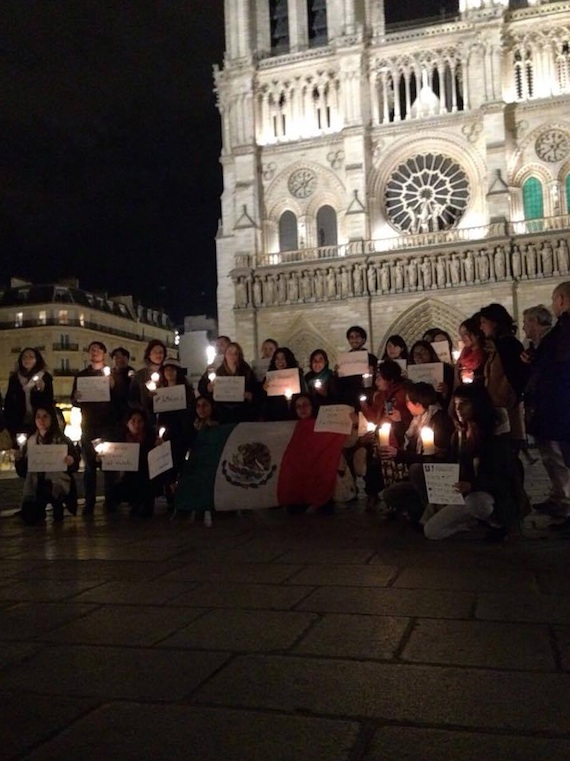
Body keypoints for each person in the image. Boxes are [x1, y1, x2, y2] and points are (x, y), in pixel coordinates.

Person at [423, 384, 522, 541]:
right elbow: (453, 464)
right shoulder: (459, 434)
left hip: (489, 495)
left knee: (478, 503)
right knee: (432, 531)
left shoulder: (495, 437)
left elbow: (502, 476)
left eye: (464, 403)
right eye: (455, 404)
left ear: (478, 404)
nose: (458, 408)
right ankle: (470, 523)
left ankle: (496, 522)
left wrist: (473, 485)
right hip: (464, 494)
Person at [380, 382, 454, 525]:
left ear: (418, 404)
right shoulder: (418, 419)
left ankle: (431, 511)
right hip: (421, 476)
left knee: (416, 469)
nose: (406, 405)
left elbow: (433, 457)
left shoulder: (439, 421)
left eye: (408, 401)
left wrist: (399, 455)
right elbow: (410, 447)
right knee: (389, 495)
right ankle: (417, 510)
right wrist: (399, 423)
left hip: (438, 475)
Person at [527, 283, 570, 525]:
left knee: (561, 456)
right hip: (558, 404)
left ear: (562, 300)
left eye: (554, 300)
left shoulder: (564, 328)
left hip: (559, 404)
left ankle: (565, 504)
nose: (553, 306)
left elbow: (555, 366)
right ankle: (561, 499)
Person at [360, 361, 412, 511]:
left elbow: (407, 415)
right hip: (383, 437)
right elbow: (375, 419)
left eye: (379, 378)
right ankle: (389, 504)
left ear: (390, 379)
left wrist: (400, 416)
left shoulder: (402, 393)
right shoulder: (381, 396)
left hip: (396, 439)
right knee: (384, 470)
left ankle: (399, 505)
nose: (376, 382)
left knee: (396, 472)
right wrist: (364, 406)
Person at [15, 406, 80, 525]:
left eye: (45, 416)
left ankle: (57, 502)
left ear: (52, 419)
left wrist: (70, 461)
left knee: (47, 490)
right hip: (36, 483)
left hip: (57, 482)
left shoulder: (62, 440)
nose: (41, 420)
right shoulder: (30, 442)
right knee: (29, 517)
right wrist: (19, 460)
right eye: (38, 417)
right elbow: (23, 472)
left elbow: (75, 465)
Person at [71, 341, 114, 515]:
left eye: (98, 349)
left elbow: (118, 398)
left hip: (107, 425)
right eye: (92, 349)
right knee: (89, 467)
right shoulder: (81, 376)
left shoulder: (111, 375)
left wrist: (112, 386)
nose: (94, 352)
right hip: (88, 425)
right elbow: (74, 401)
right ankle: (89, 502)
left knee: (109, 465)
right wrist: (76, 397)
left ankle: (111, 500)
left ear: (104, 353)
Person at [479, 303, 529, 447]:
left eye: (484, 322)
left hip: (506, 408)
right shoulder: (498, 346)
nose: (481, 327)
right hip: (498, 407)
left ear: (494, 322)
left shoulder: (508, 346)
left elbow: (513, 377)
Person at [103, 408, 158, 517]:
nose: (136, 425)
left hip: (148, 479)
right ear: (127, 423)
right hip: (129, 478)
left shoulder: (152, 438)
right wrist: (102, 458)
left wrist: (160, 447)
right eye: (133, 421)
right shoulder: (121, 439)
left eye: (140, 421)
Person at [156, 358, 195, 501]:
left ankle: (181, 494)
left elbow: (191, 410)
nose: (169, 372)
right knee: (167, 465)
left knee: (179, 463)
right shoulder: (159, 390)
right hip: (166, 432)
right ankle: (170, 495)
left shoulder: (187, 391)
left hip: (182, 431)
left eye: (172, 369)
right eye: (167, 369)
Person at [3, 348, 54, 441]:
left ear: (37, 359)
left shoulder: (44, 377)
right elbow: (9, 400)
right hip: (18, 421)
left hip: (38, 421)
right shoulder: (15, 378)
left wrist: (41, 389)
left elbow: (49, 401)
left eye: (31, 357)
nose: (27, 359)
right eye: (24, 357)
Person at [206, 341, 257, 423]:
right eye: (229, 352)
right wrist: (210, 389)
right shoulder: (219, 372)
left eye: (235, 353)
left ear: (239, 356)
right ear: (225, 355)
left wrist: (250, 396)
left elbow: (255, 390)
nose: (232, 356)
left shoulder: (247, 371)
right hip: (223, 412)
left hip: (243, 412)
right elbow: (214, 395)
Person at [337, 326, 378, 409]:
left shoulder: (371, 358)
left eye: (357, 336)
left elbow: (377, 378)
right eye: (351, 337)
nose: (354, 339)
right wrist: (338, 372)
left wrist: (372, 373)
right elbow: (341, 383)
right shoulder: (344, 360)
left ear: (363, 339)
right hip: (350, 397)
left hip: (366, 395)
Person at [262, 346, 306, 421]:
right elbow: (263, 401)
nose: (280, 361)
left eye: (283, 358)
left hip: (292, 415)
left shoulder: (297, 377)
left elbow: (302, 395)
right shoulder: (268, 378)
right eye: (277, 358)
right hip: (273, 417)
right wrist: (264, 390)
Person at [408, 340, 454, 406]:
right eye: (415, 354)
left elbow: (452, 394)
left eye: (423, 352)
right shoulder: (410, 374)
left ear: (430, 353)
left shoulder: (445, 370)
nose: (419, 356)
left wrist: (446, 392)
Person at [128, 339, 167, 415]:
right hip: (147, 416)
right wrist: (142, 409)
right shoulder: (140, 375)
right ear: (149, 354)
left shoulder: (168, 373)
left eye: (161, 352)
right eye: (155, 352)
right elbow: (132, 398)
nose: (158, 355)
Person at [109, 347, 135, 429]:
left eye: (123, 357)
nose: (119, 360)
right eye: (116, 357)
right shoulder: (109, 374)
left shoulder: (132, 374)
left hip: (128, 411)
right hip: (112, 412)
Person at [456, 316, 486, 385]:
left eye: (466, 334)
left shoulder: (485, 354)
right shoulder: (463, 355)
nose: (463, 338)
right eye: (461, 335)